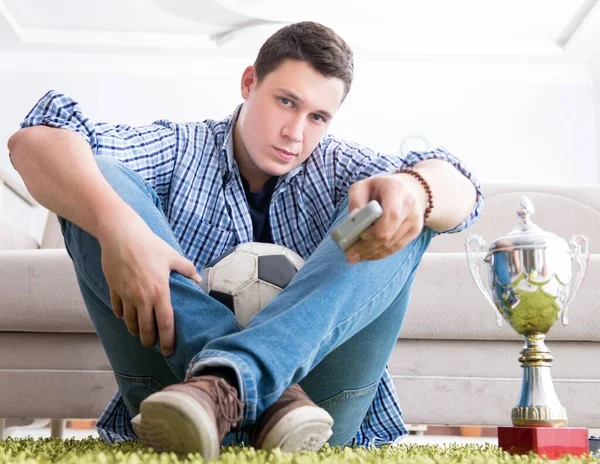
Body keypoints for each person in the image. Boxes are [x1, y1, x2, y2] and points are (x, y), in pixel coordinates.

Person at [8, 21, 483, 459]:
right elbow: (32, 143)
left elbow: (461, 190)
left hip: (316, 412)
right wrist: (119, 228)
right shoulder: (180, 148)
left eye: (318, 117)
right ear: (249, 83)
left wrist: (415, 189)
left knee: (402, 207)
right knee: (95, 181)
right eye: (286, 101)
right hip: (178, 398)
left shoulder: (343, 168)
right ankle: (240, 387)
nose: (296, 133)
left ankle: (228, 382)